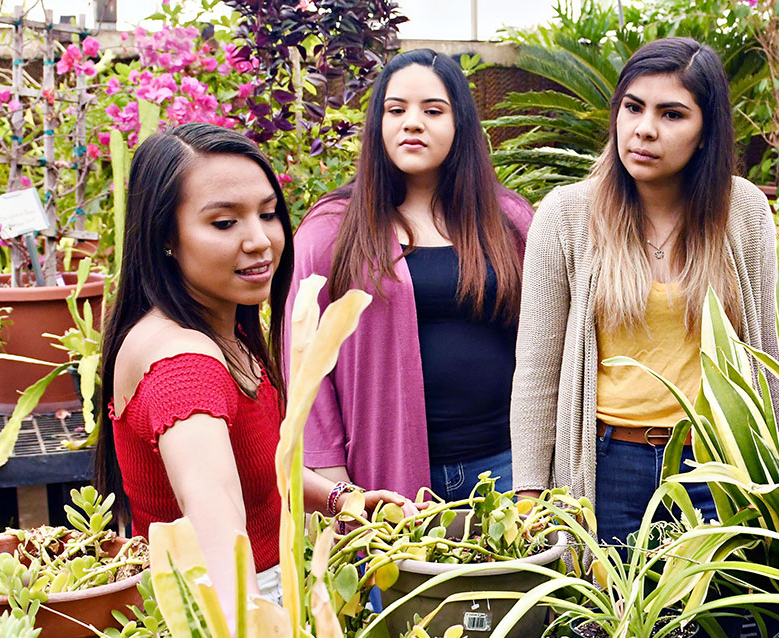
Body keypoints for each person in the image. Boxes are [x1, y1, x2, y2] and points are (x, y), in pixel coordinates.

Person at [95, 123, 416, 611]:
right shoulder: (184, 366)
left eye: (268, 214)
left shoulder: (219, 330)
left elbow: (251, 459)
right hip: (225, 609)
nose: (260, 240)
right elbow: (216, 515)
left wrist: (343, 498)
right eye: (225, 223)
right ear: (165, 236)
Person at [510, 37, 779, 545]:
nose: (644, 129)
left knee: (714, 614)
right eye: (633, 107)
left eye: (672, 114)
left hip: (712, 462)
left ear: (706, 132)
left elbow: (767, 348)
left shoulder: (742, 210)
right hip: (605, 464)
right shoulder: (567, 215)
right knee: (607, 613)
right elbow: (536, 366)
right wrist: (530, 492)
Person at [287, 50, 535, 507]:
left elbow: (545, 343)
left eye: (433, 111)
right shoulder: (332, 230)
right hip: (386, 477)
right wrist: (337, 484)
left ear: (460, 123)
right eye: (396, 109)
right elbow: (305, 364)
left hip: (506, 466)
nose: (412, 123)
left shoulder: (509, 220)